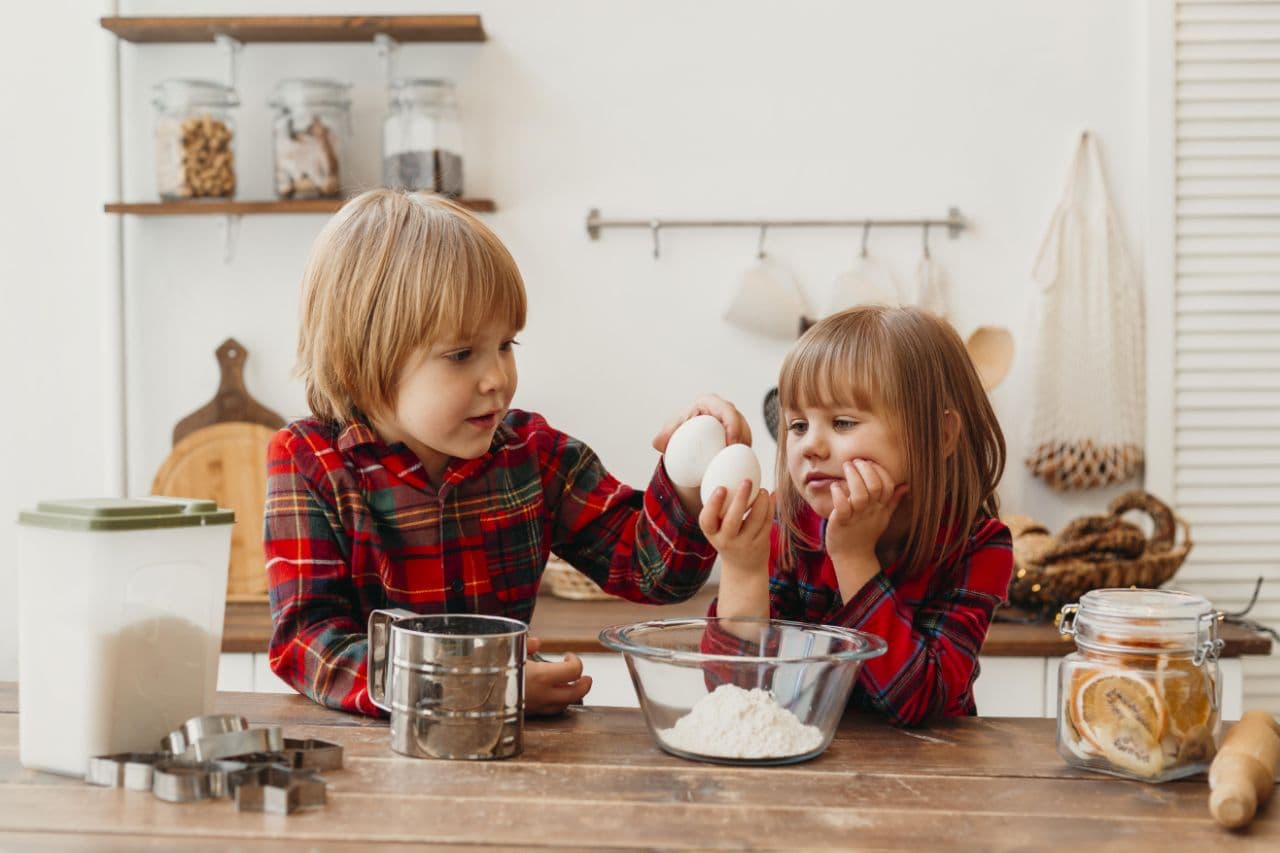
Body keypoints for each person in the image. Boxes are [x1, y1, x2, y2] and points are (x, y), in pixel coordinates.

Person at [264, 189, 748, 717]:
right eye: (461, 354)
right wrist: (479, 687)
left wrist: (687, 480)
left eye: (506, 345)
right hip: (371, 769)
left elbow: (655, 573)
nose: (497, 378)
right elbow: (312, 645)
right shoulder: (309, 461)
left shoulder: (533, 455)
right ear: (362, 360)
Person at [702, 305, 1013, 726]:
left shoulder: (977, 546)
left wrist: (853, 558)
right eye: (797, 426)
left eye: (843, 422)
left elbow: (921, 701)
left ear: (939, 435)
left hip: (932, 777)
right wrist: (741, 568)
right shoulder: (787, 525)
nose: (810, 445)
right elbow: (735, 696)